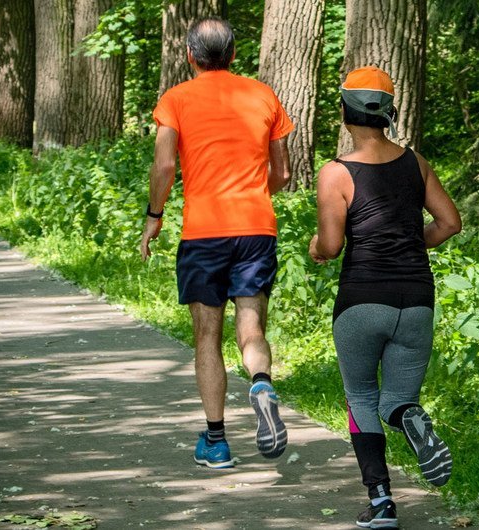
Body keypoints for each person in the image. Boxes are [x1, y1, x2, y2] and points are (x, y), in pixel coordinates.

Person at [309, 66, 462, 529]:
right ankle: (409, 416)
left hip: (362, 299)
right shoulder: (415, 162)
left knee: (360, 397)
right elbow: (450, 223)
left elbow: (331, 246)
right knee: (395, 399)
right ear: (387, 112)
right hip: (416, 299)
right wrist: (411, 242)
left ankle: (381, 503)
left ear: (344, 112)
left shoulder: (335, 172)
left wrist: (315, 248)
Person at [140, 17, 294, 469]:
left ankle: (217, 441)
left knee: (207, 335)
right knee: (252, 325)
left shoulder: (175, 100)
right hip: (255, 228)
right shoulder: (262, 94)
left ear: (190, 55)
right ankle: (262, 383)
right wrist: (253, 195)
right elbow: (281, 174)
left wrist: (154, 215)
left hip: (204, 232)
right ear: (232, 55)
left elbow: (165, 166)